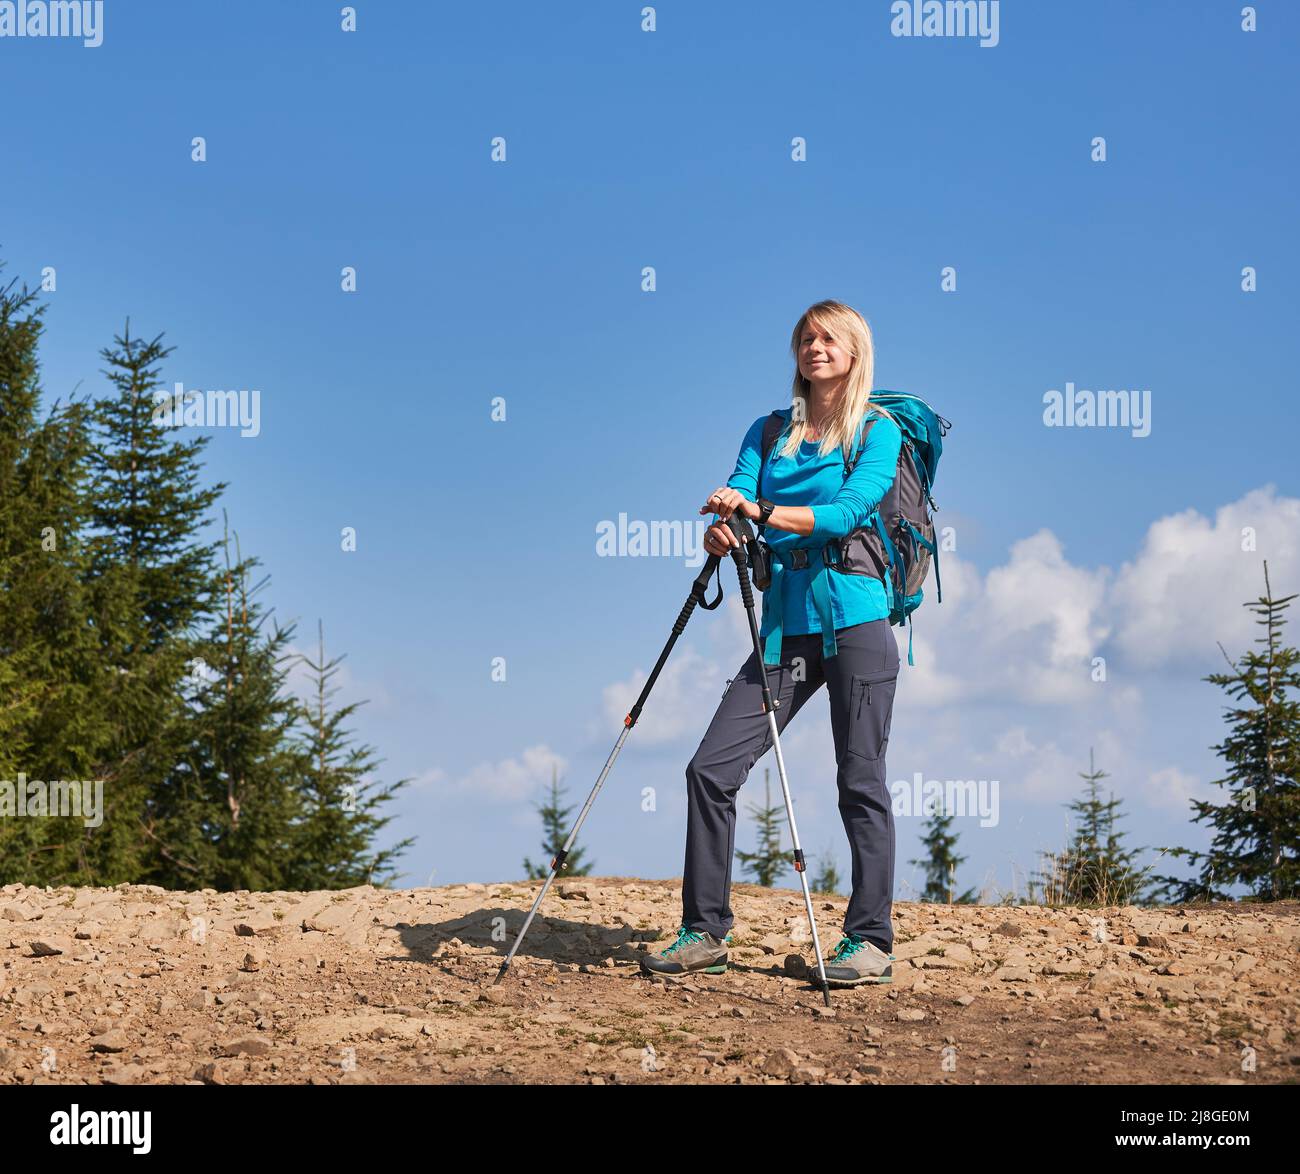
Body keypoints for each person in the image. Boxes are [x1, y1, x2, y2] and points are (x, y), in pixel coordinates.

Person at [641, 299, 903, 987]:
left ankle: (869, 942)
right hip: (784, 627)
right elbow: (737, 490)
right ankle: (704, 933)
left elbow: (845, 512)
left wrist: (757, 511)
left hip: (855, 621)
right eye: (806, 339)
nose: (815, 348)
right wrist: (724, 525)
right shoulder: (767, 431)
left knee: (860, 780)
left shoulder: (877, 432)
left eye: (829, 339)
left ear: (854, 350)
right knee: (710, 769)